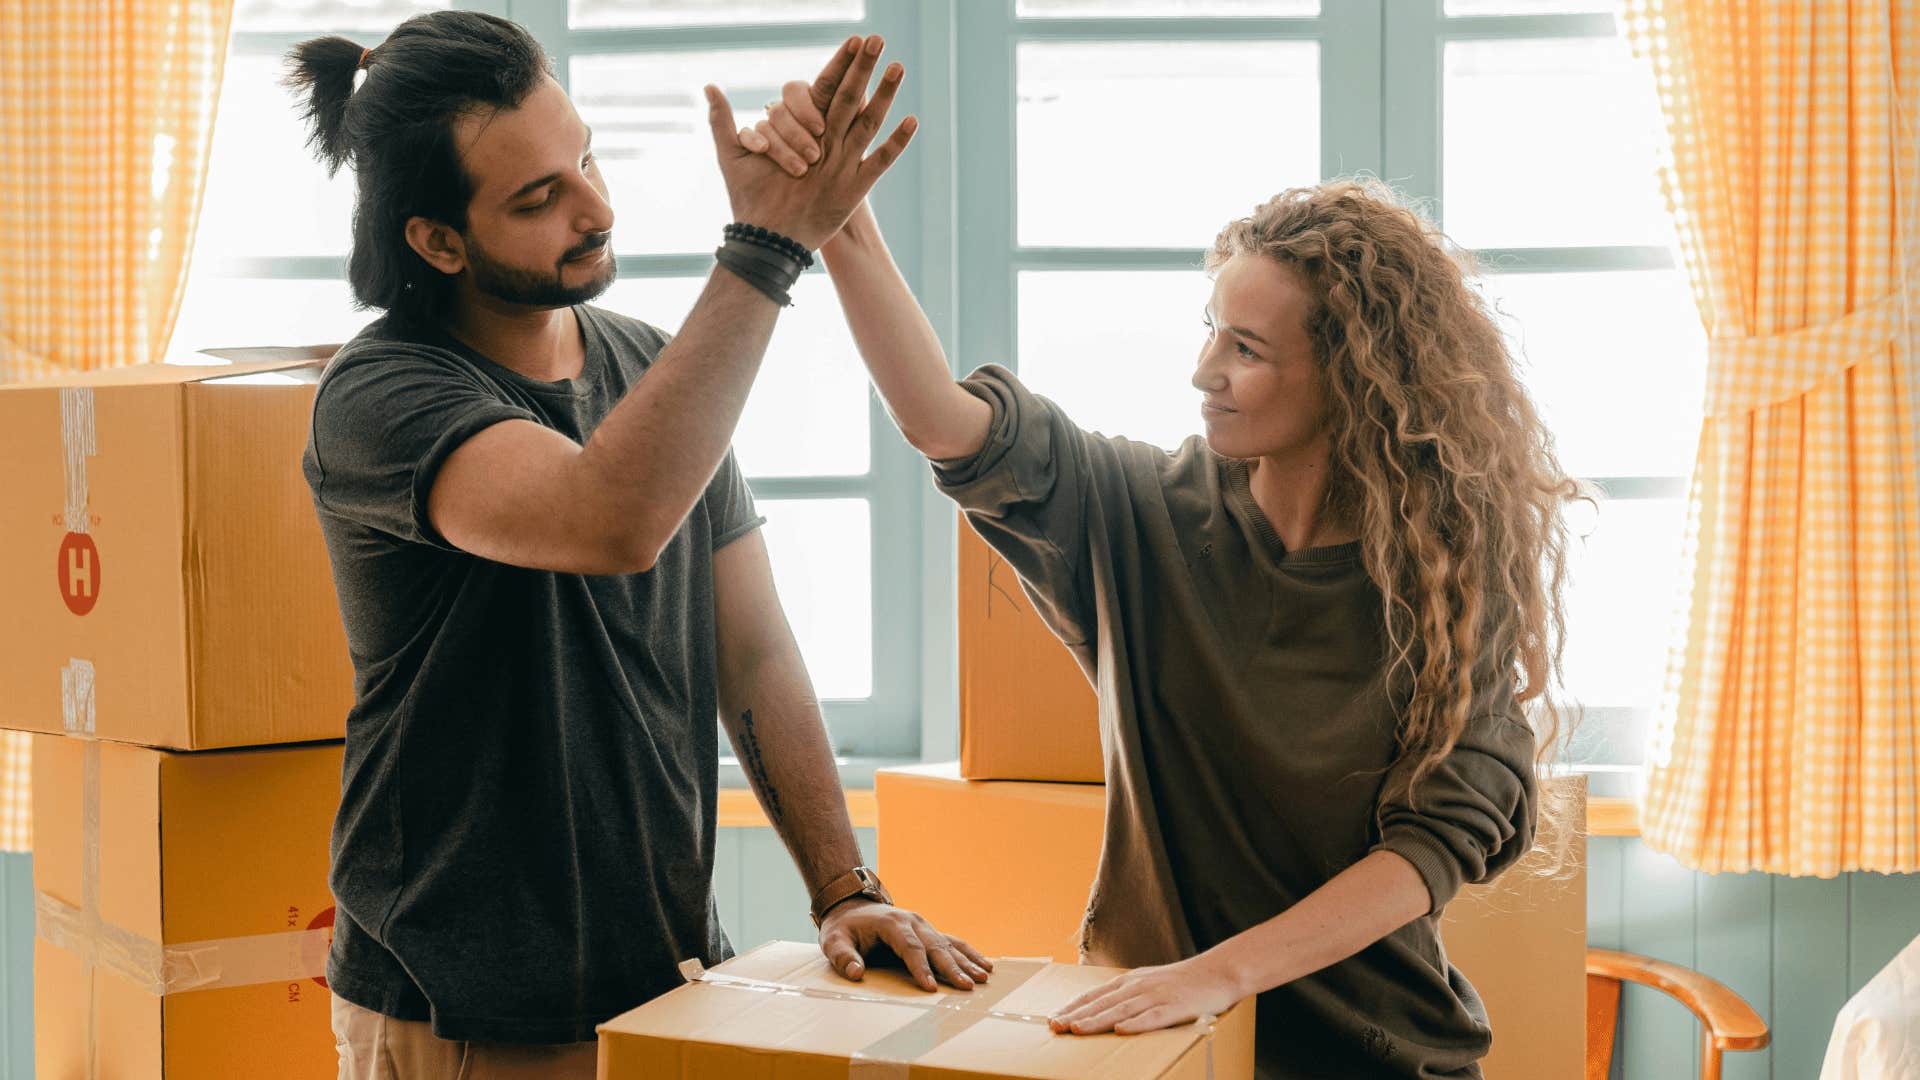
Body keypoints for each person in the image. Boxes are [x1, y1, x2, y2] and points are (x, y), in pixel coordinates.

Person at [745, 66, 1581, 1079]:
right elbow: (945, 423)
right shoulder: (1137, 513)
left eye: (1245, 348)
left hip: (1376, 1056)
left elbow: (1430, 849)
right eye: (1208, 331)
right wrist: (841, 226)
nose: (1203, 372)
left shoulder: (1443, 583)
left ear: (1352, 377)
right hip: (1156, 1047)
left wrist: (1217, 974)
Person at [284, 16, 987, 1078]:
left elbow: (750, 648)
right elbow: (606, 521)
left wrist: (846, 885)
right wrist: (767, 246)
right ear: (437, 240)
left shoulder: (652, 365)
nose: (597, 207)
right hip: (461, 1009)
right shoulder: (382, 397)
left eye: (587, 156)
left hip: (666, 981)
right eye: (538, 199)